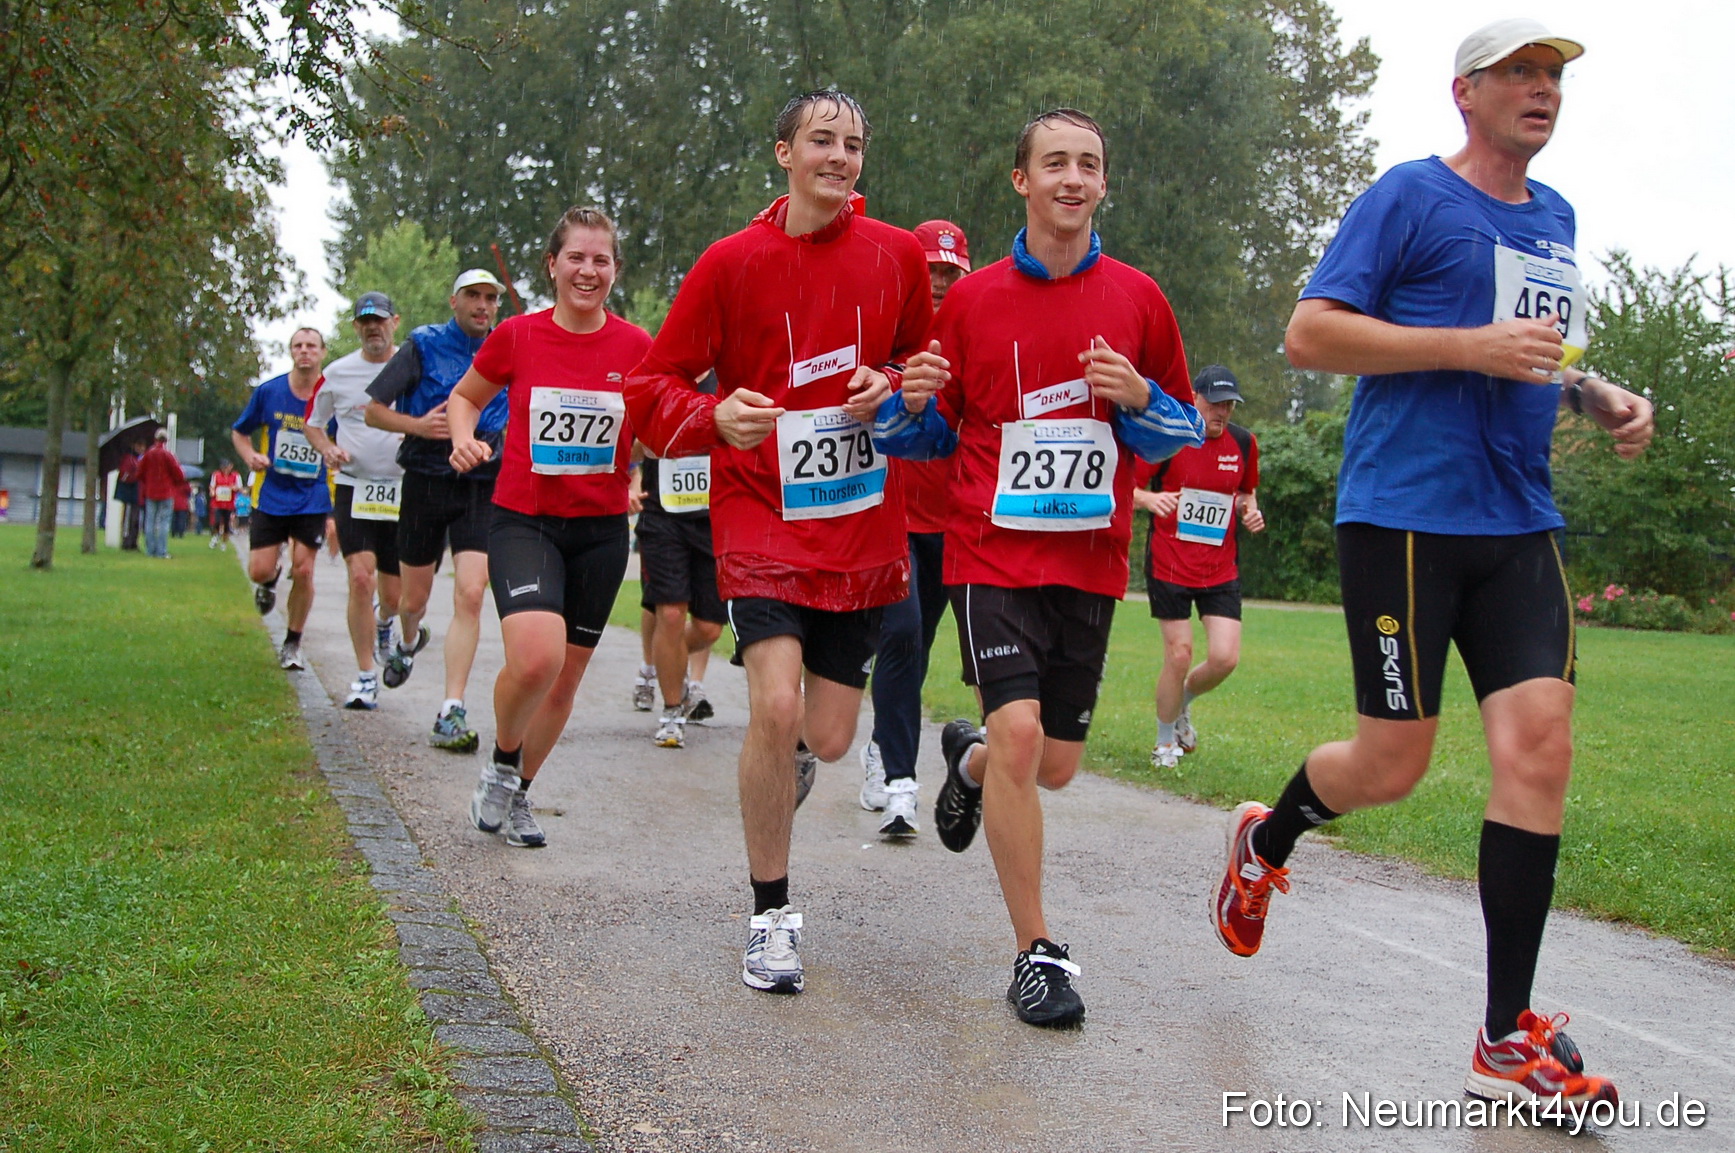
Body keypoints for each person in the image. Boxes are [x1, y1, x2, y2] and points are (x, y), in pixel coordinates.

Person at [1213, 19, 1653, 1106]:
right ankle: (1266, 839)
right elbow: (1310, 334)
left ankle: (1503, 1033)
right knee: (1392, 765)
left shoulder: (1554, 218)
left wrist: (1592, 395)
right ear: (1466, 92)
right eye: (1519, 73)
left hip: (1518, 520)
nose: (1541, 91)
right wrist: (1463, 347)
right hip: (1405, 518)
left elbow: (1537, 350)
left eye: (1552, 76)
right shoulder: (1409, 196)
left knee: (1538, 746)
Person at [878, 108, 1203, 1028]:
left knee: (1050, 765)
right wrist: (906, 406)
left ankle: (968, 760)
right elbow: (929, 436)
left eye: (1088, 165)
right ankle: (1036, 953)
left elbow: (1180, 427)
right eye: (1053, 162)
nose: (1071, 177)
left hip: (1091, 562)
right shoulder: (970, 301)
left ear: (1104, 184)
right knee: (1023, 735)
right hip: (991, 550)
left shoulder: (1139, 299)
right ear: (1019, 180)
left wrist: (1139, 398)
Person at [624, 89, 932, 995]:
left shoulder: (899, 255)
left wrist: (901, 385)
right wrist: (712, 413)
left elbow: (927, 363)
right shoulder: (731, 262)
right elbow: (651, 383)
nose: (839, 157)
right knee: (774, 705)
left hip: (861, 522)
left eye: (854, 145)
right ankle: (770, 918)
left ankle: (781, 762)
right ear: (784, 154)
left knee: (828, 737)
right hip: (759, 511)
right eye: (822, 142)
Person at [449, 206, 652, 848]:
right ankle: (504, 759)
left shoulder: (637, 347)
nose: (588, 271)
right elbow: (465, 398)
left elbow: (650, 430)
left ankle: (517, 792)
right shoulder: (518, 335)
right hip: (525, 521)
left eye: (601, 260)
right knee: (537, 659)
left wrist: (646, 456)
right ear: (552, 265)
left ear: (614, 270)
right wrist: (461, 439)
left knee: (566, 676)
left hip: (599, 530)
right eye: (576, 258)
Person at [858, 219, 973, 836]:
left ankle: (885, 737)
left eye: (950, 271)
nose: (937, 280)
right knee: (901, 635)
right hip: (895, 512)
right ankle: (900, 779)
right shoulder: (888, 325)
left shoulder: (978, 328)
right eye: (929, 268)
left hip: (960, 523)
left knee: (929, 646)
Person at [365, 269, 508, 752]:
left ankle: (451, 708)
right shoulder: (422, 345)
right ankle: (407, 641)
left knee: (471, 593)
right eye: (473, 296)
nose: (482, 306)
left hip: (481, 484)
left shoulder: (507, 346)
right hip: (425, 481)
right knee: (414, 601)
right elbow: (373, 410)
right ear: (454, 301)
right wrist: (418, 426)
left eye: (491, 298)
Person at [1135, 364, 1264, 769]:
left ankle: (1183, 702)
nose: (1221, 412)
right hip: (1170, 564)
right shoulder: (1171, 439)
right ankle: (1163, 743)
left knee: (1225, 658)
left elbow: (1246, 491)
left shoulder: (1243, 443)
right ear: (1195, 398)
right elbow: (1128, 485)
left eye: (1228, 405)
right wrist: (1149, 500)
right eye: (1214, 403)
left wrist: (1250, 510)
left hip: (1220, 569)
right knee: (1180, 654)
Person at [305, 292, 408, 711]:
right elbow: (314, 425)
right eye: (365, 322)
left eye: (379, 321)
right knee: (360, 579)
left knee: (396, 596)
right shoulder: (337, 373)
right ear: (355, 328)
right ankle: (366, 675)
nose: (373, 329)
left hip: (404, 489)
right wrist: (327, 448)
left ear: (394, 322)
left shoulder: (411, 366)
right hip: (355, 486)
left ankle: (386, 624)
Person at [232, 327, 333, 670]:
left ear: (322, 352)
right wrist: (249, 457)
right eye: (298, 346)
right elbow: (240, 431)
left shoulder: (332, 394)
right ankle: (269, 583)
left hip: (312, 496)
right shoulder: (269, 392)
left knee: (304, 570)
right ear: (291, 351)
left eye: (311, 346)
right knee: (259, 570)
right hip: (271, 493)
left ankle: (293, 642)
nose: (305, 351)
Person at [634, 374, 725, 750]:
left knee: (708, 628)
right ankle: (672, 711)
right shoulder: (659, 377)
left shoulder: (730, 377)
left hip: (715, 516)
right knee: (670, 614)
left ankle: (666, 662)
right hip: (663, 513)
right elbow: (633, 447)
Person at [137, 430, 187, 559]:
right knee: (164, 522)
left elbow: (139, 472)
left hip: (150, 492)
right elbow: (179, 474)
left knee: (150, 521)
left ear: (155, 439)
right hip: (166, 492)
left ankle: (150, 550)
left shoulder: (148, 454)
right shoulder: (168, 455)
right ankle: (162, 551)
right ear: (166, 440)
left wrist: (147, 482)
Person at [115, 439, 145, 551]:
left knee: (136, 519)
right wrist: (135, 475)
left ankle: (133, 541)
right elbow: (124, 477)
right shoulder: (129, 458)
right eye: (139, 445)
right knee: (129, 518)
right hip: (128, 494)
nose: (142, 448)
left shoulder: (138, 459)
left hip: (136, 495)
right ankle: (127, 541)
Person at [208, 459, 241, 550]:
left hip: (229, 503)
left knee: (226, 524)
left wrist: (234, 488)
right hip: (217, 503)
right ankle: (216, 536)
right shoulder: (216, 475)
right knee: (217, 521)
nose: (225, 469)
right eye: (224, 467)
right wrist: (212, 491)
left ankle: (224, 543)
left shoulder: (236, 476)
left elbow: (239, 487)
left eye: (227, 467)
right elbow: (212, 486)